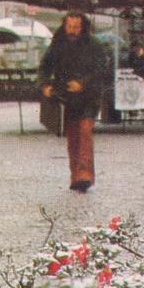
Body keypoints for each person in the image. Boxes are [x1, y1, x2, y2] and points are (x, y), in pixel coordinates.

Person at [39, 10, 105, 192]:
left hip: (88, 98)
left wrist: (82, 83)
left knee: (84, 132)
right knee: (72, 137)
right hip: (66, 97)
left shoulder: (95, 45)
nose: (72, 31)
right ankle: (75, 175)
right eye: (69, 26)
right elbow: (44, 67)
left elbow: (101, 70)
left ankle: (85, 175)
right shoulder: (58, 43)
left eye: (76, 27)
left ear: (83, 27)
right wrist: (45, 85)